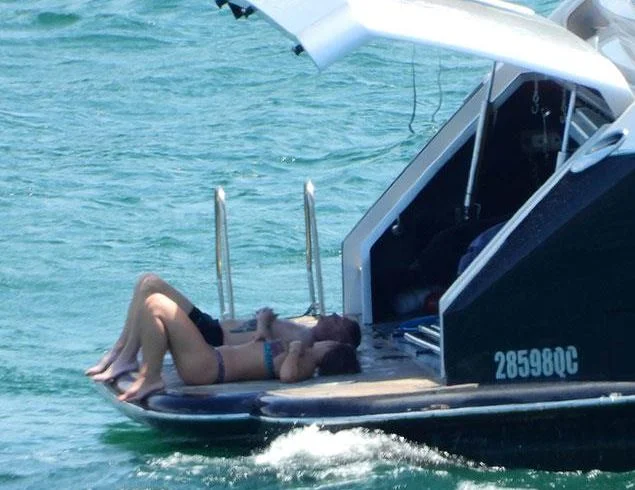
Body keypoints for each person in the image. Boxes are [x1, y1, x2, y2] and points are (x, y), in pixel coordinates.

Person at [87, 274, 361, 400]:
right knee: (152, 297)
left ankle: (149, 375)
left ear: (333, 346)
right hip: (210, 360)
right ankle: (129, 358)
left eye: (339, 324)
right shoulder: (299, 348)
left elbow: (288, 376)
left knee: (155, 300)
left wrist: (292, 349)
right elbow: (262, 352)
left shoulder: (303, 361)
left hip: (210, 365)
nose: (334, 316)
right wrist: (266, 332)